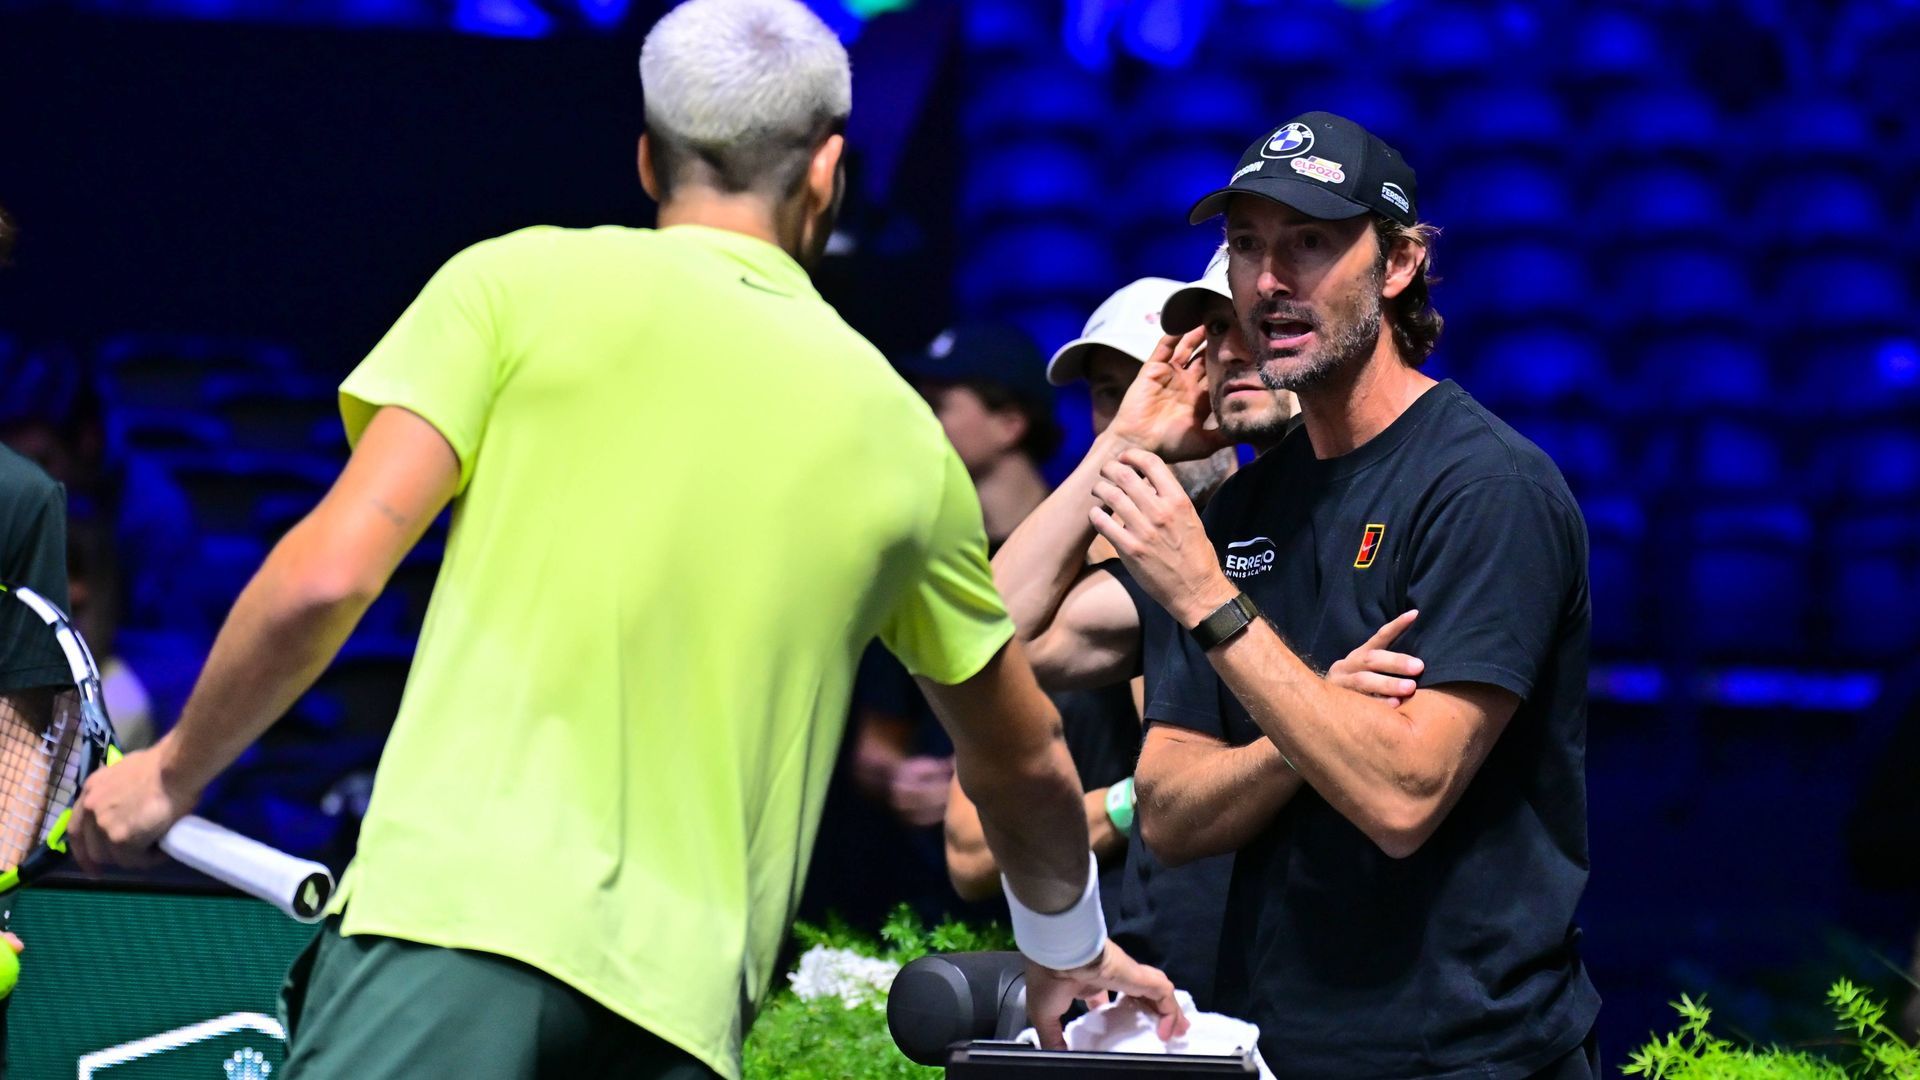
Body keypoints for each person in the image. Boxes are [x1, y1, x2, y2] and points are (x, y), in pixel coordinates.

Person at [64, 3, 1183, 1076]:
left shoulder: (509, 286)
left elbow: (329, 577)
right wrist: (1065, 953)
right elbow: (1023, 755)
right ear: (831, 169)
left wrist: (170, 773)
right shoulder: (900, 434)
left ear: (648, 159)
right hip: (679, 1016)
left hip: (448, 936)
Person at [1105, 112, 1599, 1077]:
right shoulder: (1240, 509)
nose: (1269, 281)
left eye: (1312, 242)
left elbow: (1401, 793)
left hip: (1472, 1056)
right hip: (1273, 1046)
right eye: (1245, 245)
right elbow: (1168, 815)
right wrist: (1318, 720)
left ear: (1403, 263)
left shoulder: (1489, 487)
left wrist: (1216, 606)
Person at [961, 254, 1421, 1009]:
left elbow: (1403, 777)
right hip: (1181, 983)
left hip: (1350, 984)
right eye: (1210, 336)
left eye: (1246, 328)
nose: (1230, 354)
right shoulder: (1188, 544)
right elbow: (990, 633)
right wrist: (1124, 444)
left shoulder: (1414, 503)